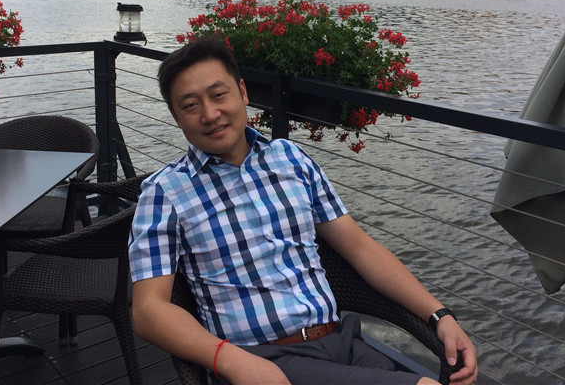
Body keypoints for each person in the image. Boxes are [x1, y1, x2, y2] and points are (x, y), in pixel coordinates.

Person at [129, 36, 478, 385]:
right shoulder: (165, 192)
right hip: (262, 360)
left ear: (243, 92)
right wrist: (230, 360)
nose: (210, 114)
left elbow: (359, 248)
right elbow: (148, 310)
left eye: (219, 95)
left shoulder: (290, 158)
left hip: (342, 343)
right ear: (176, 117)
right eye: (191, 105)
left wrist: (439, 315)